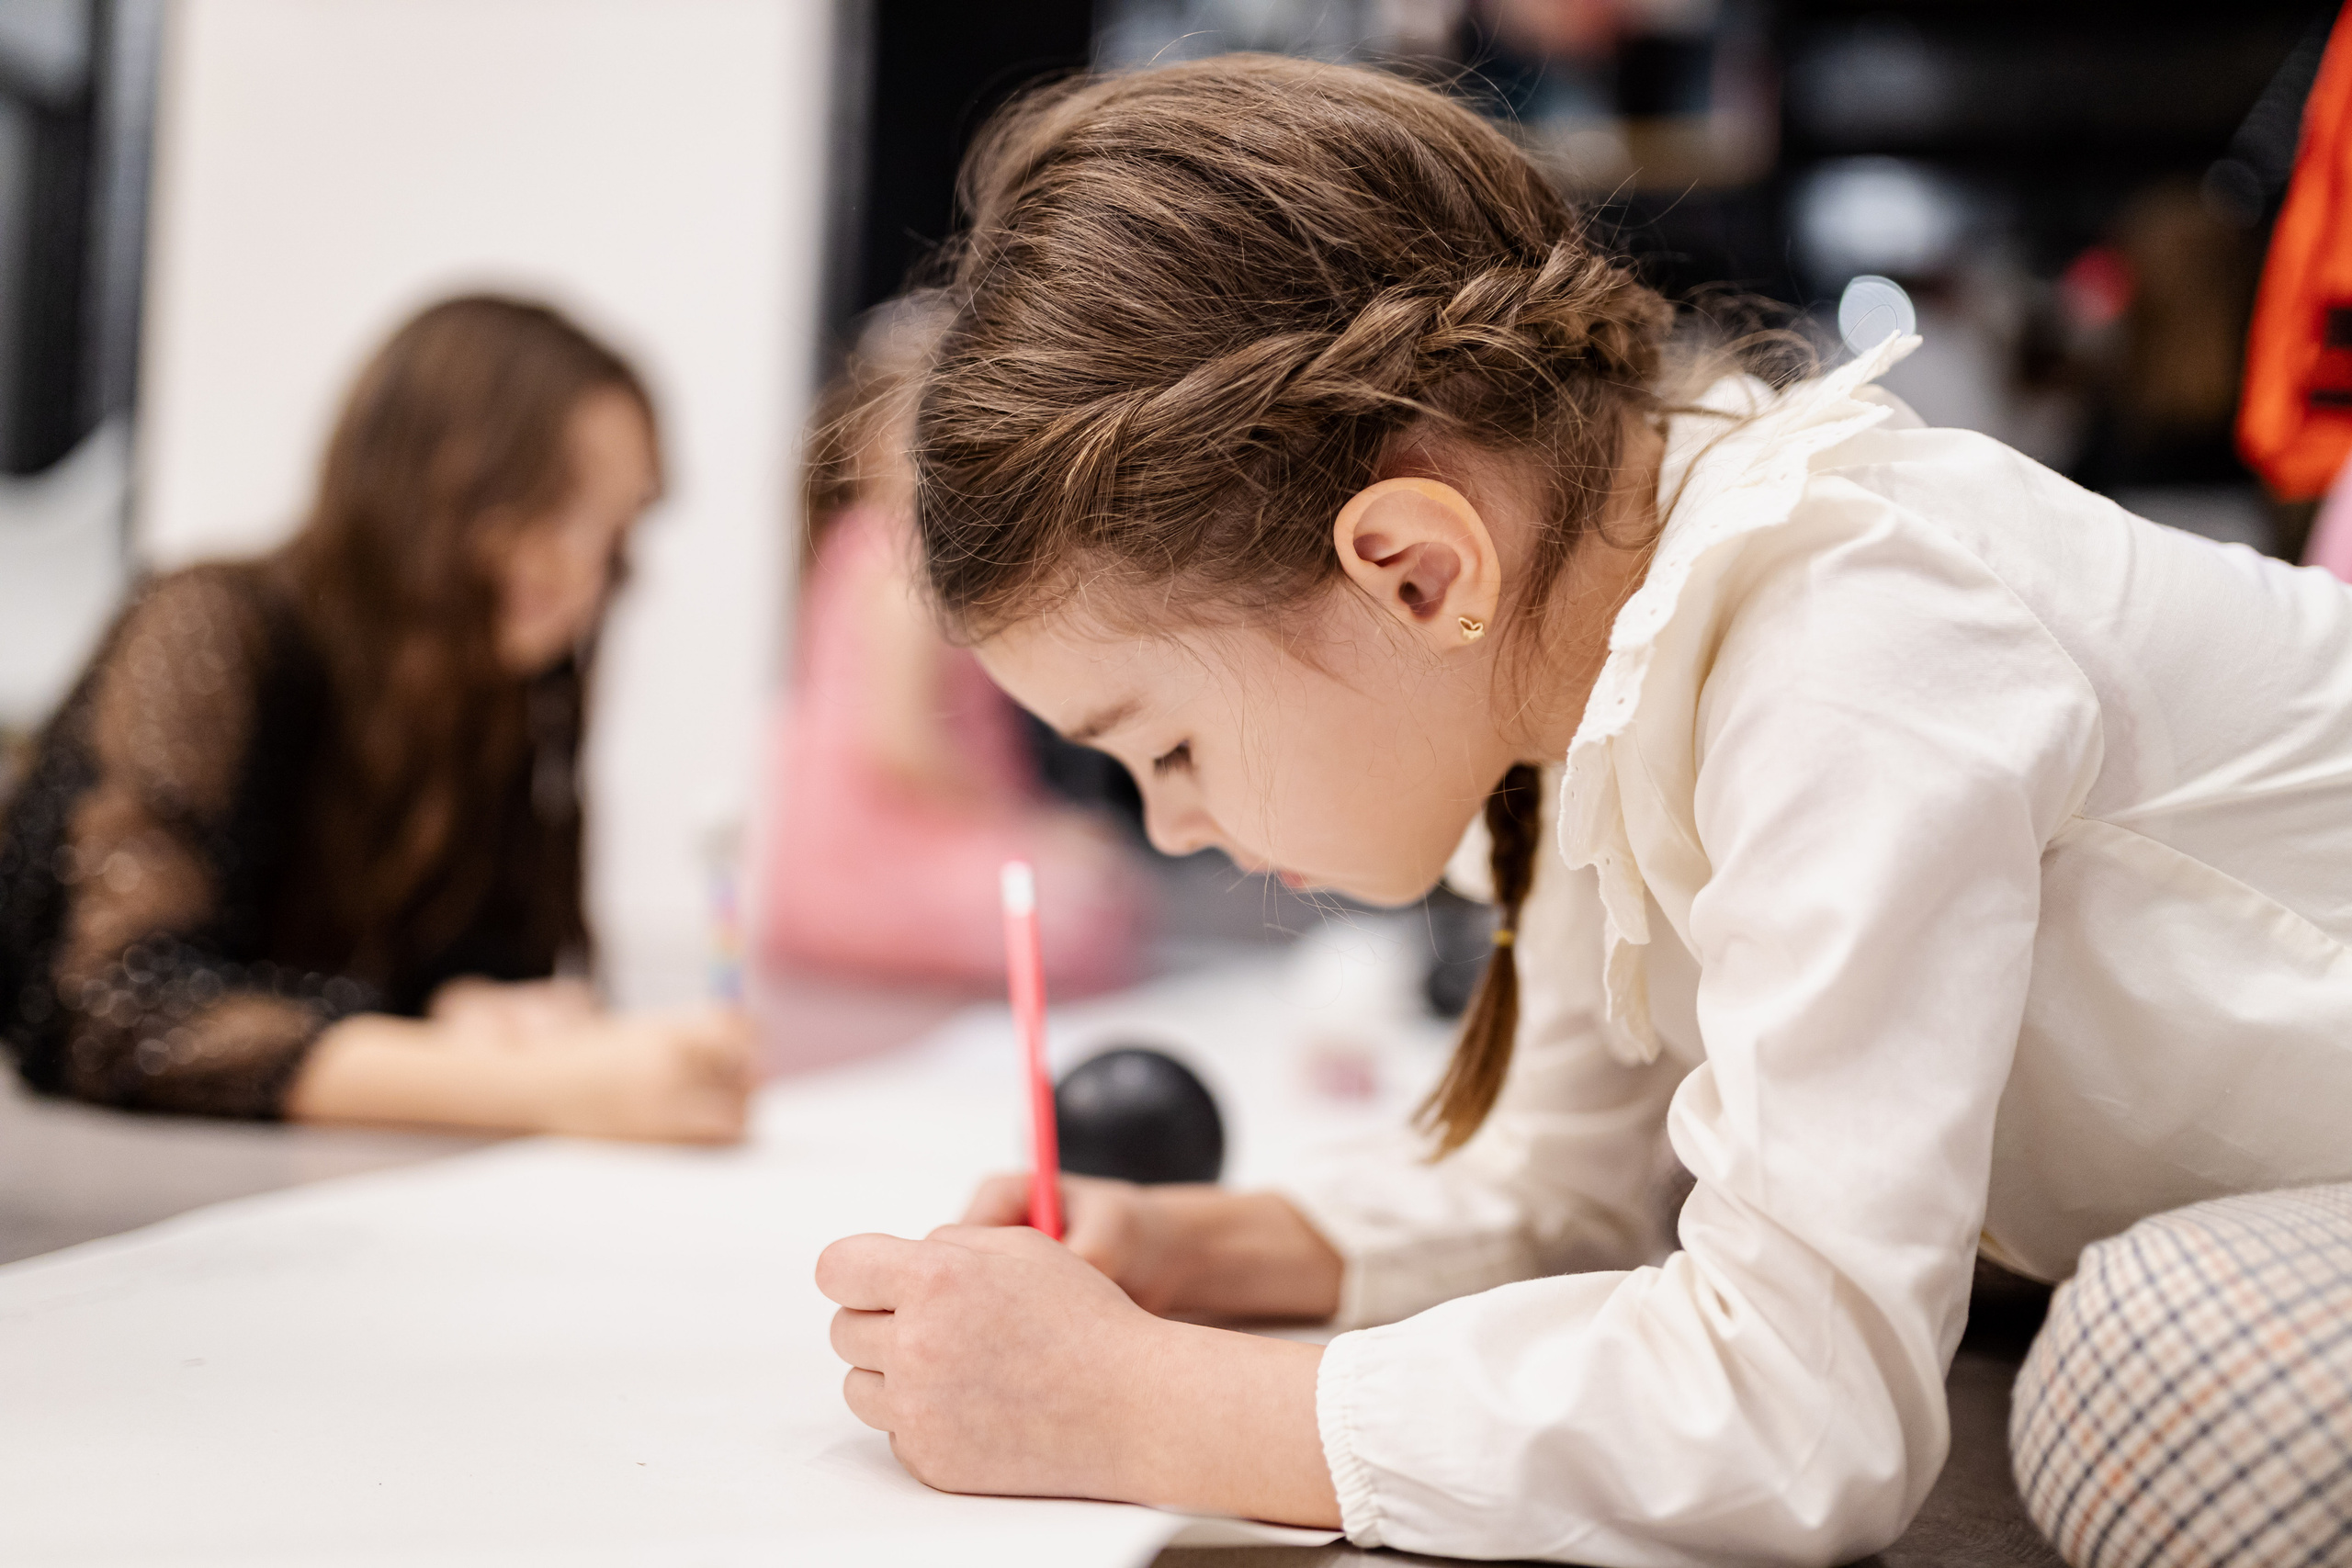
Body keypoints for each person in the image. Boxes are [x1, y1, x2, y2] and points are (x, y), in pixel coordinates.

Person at [814, 56, 2352, 1566]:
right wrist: (1205, 1252)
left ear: (1413, 568)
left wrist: (1138, 1403)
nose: (1171, 826)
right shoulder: (1584, 634)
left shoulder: (1855, 641)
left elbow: (1800, 1418)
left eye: (1167, 746)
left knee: (2161, 1370)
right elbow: (1566, 1193)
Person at [0, 296, 752, 1143]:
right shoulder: (214, 623)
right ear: (426, 473)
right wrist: (533, 1086)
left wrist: (473, 1011)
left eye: (611, 532)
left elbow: (417, 976)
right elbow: (116, 1006)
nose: (579, 566)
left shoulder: (496, 704)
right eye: (548, 499)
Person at [756, 298, 1147, 996]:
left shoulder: (849, 544)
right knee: (1088, 902)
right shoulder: (903, 564)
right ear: (864, 442)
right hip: (881, 862)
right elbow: (904, 746)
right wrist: (1029, 819)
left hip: (819, 866)